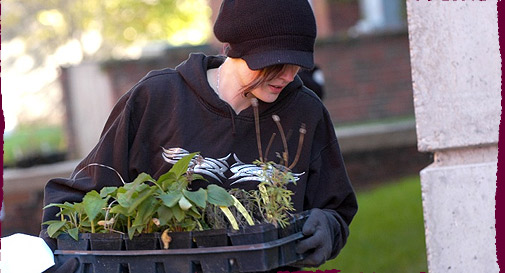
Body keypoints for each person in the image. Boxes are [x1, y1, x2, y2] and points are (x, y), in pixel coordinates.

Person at [41, 0, 358, 272]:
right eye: (276, 63)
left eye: (298, 64)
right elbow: (78, 197)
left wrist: (328, 226)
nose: (289, 75)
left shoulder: (306, 113)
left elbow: (336, 207)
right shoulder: (158, 98)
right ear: (236, 47)